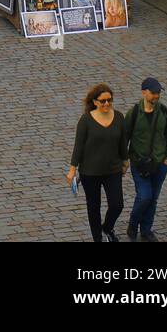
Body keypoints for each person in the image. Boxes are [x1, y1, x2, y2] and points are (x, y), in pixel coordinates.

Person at [68, 83, 130, 243]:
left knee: (117, 204)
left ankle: (107, 227)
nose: (107, 104)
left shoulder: (118, 117)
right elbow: (78, 146)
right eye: (103, 101)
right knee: (93, 207)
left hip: (113, 170)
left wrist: (125, 160)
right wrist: (72, 170)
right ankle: (97, 238)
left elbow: (123, 142)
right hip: (90, 172)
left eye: (109, 100)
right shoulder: (86, 120)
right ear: (95, 102)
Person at [124, 76, 167, 242]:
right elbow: (124, 138)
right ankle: (133, 224)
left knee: (153, 199)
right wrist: (125, 159)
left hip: (160, 165)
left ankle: (146, 230)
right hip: (139, 163)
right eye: (153, 92)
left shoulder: (164, 112)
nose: (156, 96)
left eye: (158, 92)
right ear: (143, 92)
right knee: (144, 196)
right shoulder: (133, 113)